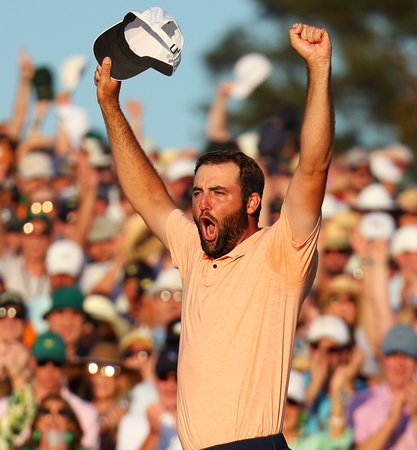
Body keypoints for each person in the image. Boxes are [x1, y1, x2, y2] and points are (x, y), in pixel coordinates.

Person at [94, 23, 333, 449]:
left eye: (219, 193)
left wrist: (318, 68)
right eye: (199, 191)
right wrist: (110, 107)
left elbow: (314, 167)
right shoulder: (194, 251)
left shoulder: (279, 252)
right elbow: (147, 196)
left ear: (252, 203)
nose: (203, 203)